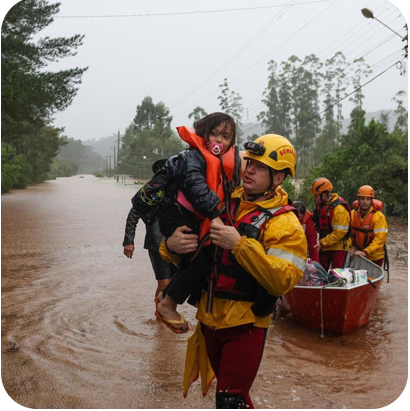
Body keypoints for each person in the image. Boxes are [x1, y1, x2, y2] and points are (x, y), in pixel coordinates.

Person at [160, 134, 307, 409]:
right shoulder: (222, 201)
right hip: (209, 318)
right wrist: (169, 246)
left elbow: (283, 280)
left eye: (259, 167)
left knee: (229, 400)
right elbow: (195, 254)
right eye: (249, 162)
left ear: (278, 178)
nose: (249, 169)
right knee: (233, 398)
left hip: (246, 325)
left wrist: (239, 244)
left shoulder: (286, 224)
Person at [133, 112, 241, 333]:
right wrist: (215, 215)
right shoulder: (192, 158)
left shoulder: (224, 166)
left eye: (226, 137)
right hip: (176, 215)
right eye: (214, 134)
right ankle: (167, 304)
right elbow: (197, 189)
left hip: (187, 215)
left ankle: (166, 297)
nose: (219, 140)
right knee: (204, 257)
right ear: (203, 134)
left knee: (200, 259)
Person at [123, 160, 172, 298]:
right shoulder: (149, 193)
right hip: (157, 242)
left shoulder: (179, 191)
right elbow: (133, 216)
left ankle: (165, 314)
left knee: (174, 283)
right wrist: (129, 241)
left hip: (176, 242)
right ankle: (160, 316)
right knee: (165, 283)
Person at [311, 178, 351, 270]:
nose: (314, 198)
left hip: (339, 248)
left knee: (337, 276)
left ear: (323, 195)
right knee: (319, 273)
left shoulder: (339, 209)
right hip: (325, 247)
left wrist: (322, 242)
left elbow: (339, 233)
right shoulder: (320, 206)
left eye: (316, 196)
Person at [349, 185, 388, 267]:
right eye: (362, 198)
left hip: (375, 256)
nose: (365, 201)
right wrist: (352, 246)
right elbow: (349, 235)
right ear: (358, 200)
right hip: (358, 253)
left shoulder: (379, 217)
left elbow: (379, 239)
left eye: (368, 199)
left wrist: (365, 252)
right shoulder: (352, 214)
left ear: (371, 200)